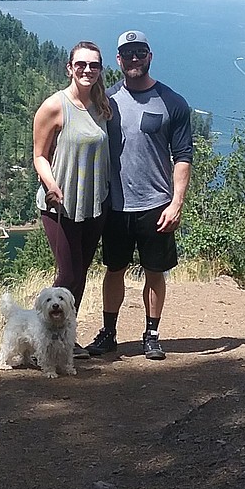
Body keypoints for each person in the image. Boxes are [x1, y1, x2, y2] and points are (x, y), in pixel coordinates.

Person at [86, 30, 193, 361]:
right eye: (127, 53)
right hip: (116, 205)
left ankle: (152, 334)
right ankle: (108, 334)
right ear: (118, 60)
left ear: (150, 56)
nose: (134, 59)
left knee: (154, 272)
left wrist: (176, 204)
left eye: (139, 53)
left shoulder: (172, 102)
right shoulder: (107, 102)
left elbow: (184, 157)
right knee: (114, 270)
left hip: (156, 206)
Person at [31, 40, 112, 359]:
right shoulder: (54, 106)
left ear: (100, 69)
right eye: (81, 64)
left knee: (81, 272)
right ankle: (40, 339)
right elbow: (39, 155)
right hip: (60, 206)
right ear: (70, 68)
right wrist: (50, 184)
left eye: (94, 65)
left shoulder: (102, 105)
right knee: (67, 274)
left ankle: (65, 342)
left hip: (94, 203)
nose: (87, 70)